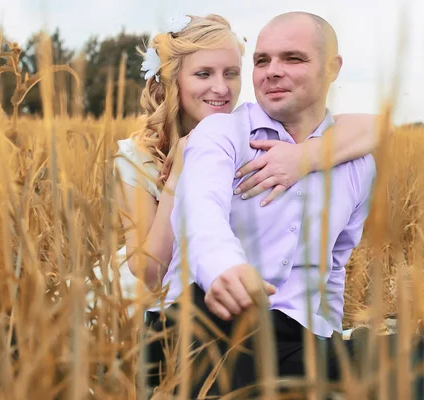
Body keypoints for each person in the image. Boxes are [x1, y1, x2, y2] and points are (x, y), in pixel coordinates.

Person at [147, 11, 376, 397]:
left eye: (293, 58)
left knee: (413, 358)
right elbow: (202, 214)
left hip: (297, 335)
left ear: (333, 68)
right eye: (262, 60)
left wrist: (329, 332)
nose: (272, 71)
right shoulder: (221, 132)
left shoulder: (356, 161)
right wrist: (224, 269)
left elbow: (335, 266)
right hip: (212, 317)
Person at [107, 14, 380, 311]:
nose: (221, 89)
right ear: (173, 81)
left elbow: (377, 127)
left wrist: (305, 156)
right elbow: (150, 273)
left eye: (231, 73)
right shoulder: (137, 158)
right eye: (203, 74)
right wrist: (179, 177)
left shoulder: (247, 137)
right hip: (150, 301)